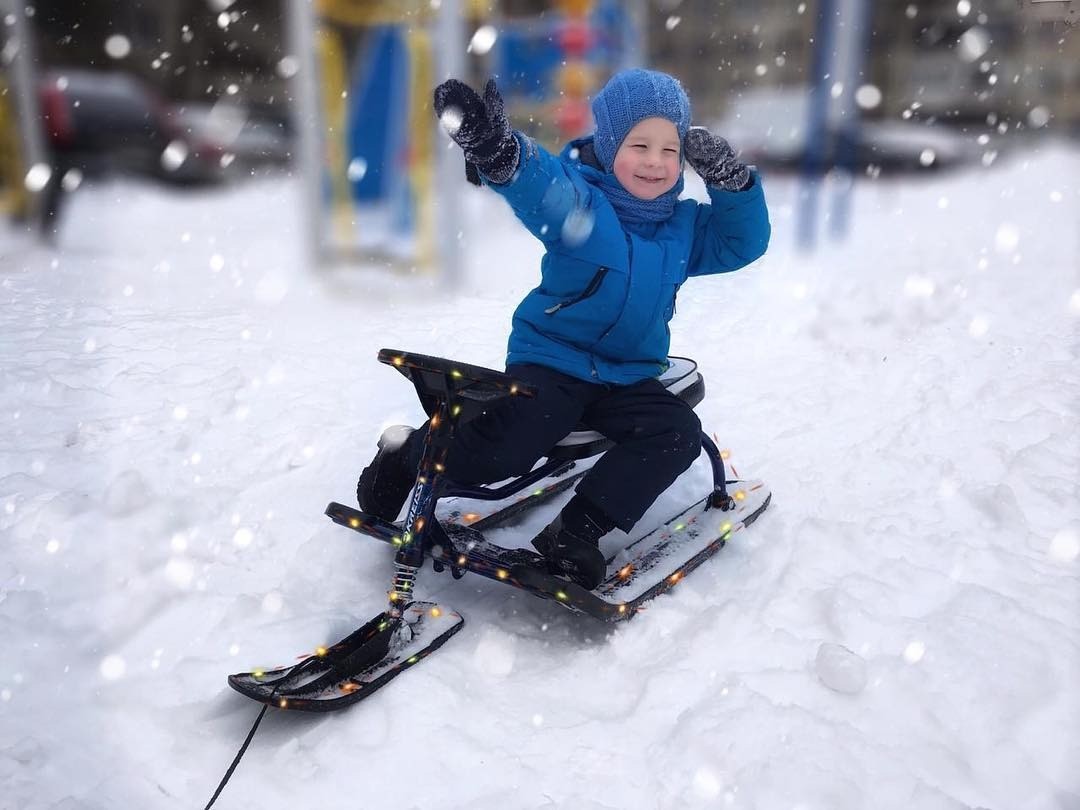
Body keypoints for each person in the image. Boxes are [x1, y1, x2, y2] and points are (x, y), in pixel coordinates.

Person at [358, 68, 770, 590]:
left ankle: (576, 531)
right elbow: (540, 188)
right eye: (639, 144)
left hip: (627, 373)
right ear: (610, 144)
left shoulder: (685, 228)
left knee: (675, 433)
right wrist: (500, 153)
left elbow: (743, 243)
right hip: (553, 360)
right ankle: (407, 455)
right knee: (510, 448)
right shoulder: (583, 205)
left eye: (671, 150)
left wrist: (733, 185)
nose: (655, 162)